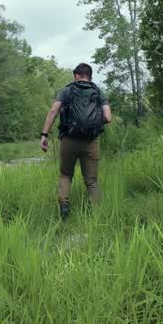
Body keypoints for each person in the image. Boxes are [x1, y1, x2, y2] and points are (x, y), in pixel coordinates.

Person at [40, 63, 112, 219]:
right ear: (90, 76)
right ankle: (97, 215)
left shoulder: (68, 90)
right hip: (90, 142)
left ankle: (64, 206)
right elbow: (108, 117)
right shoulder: (98, 92)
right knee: (92, 181)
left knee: (66, 175)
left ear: (76, 76)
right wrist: (92, 123)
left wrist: (44, 134)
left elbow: (53, 111)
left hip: (69, 140)